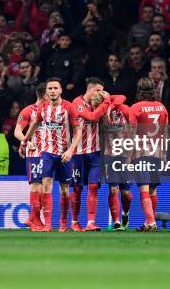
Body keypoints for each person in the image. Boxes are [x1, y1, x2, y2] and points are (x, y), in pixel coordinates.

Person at [21, 77, 82, 232]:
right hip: (47, 153)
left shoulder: (69, 108)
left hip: (64, 154)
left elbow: (78, 131)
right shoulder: (43, 108)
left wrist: (70, 151)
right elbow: (35, 124)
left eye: (56, 88)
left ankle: (63, 222)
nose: (53, 91)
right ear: (46, 92)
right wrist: (25, 140)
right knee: (46, 185)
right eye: (50, 89)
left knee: (64, 190)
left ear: (61, 90)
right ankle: (48, 224)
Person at [128, 78, 169, 232]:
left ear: (139, 91)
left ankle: (151, 222)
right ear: (154, 91)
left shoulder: (136, 107)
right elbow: (165, 132)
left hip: (141, 153)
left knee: (144, 189)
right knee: (152, 189)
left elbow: (132, 133)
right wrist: (164, 154)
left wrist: (128, 156)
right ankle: (148, 222)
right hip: (157, 153)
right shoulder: (161, 107)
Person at [70, 77, 111, 232]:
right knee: (78, 188)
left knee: (93, 186)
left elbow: (106, 124)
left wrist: (106, 110)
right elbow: (91, 117)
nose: (100, 94)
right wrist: (107, 102)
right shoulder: (77, 103)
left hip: (95, 152)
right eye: (98, 91)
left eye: (102, 91)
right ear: (89, 89)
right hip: (78, 152)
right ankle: (74, 221)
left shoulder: (98, 105)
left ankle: (90, 222)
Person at [14, 83, 47, 232]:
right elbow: (17, 131)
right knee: (37, 185)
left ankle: (32, 218)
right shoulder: (29, 111)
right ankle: (35, 220)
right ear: (45, 95)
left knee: (44, 187)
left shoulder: (54, 110)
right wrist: (26, 142)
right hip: (35, 153)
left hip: (50, 153)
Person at [98, 93, 132, 231]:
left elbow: (122, 97)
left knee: (126, 194)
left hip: (125, 155)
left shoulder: (125, 110)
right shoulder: (101, 113)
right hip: (109, 155)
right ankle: (117, 222)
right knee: (113, 189)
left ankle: (125, 214)